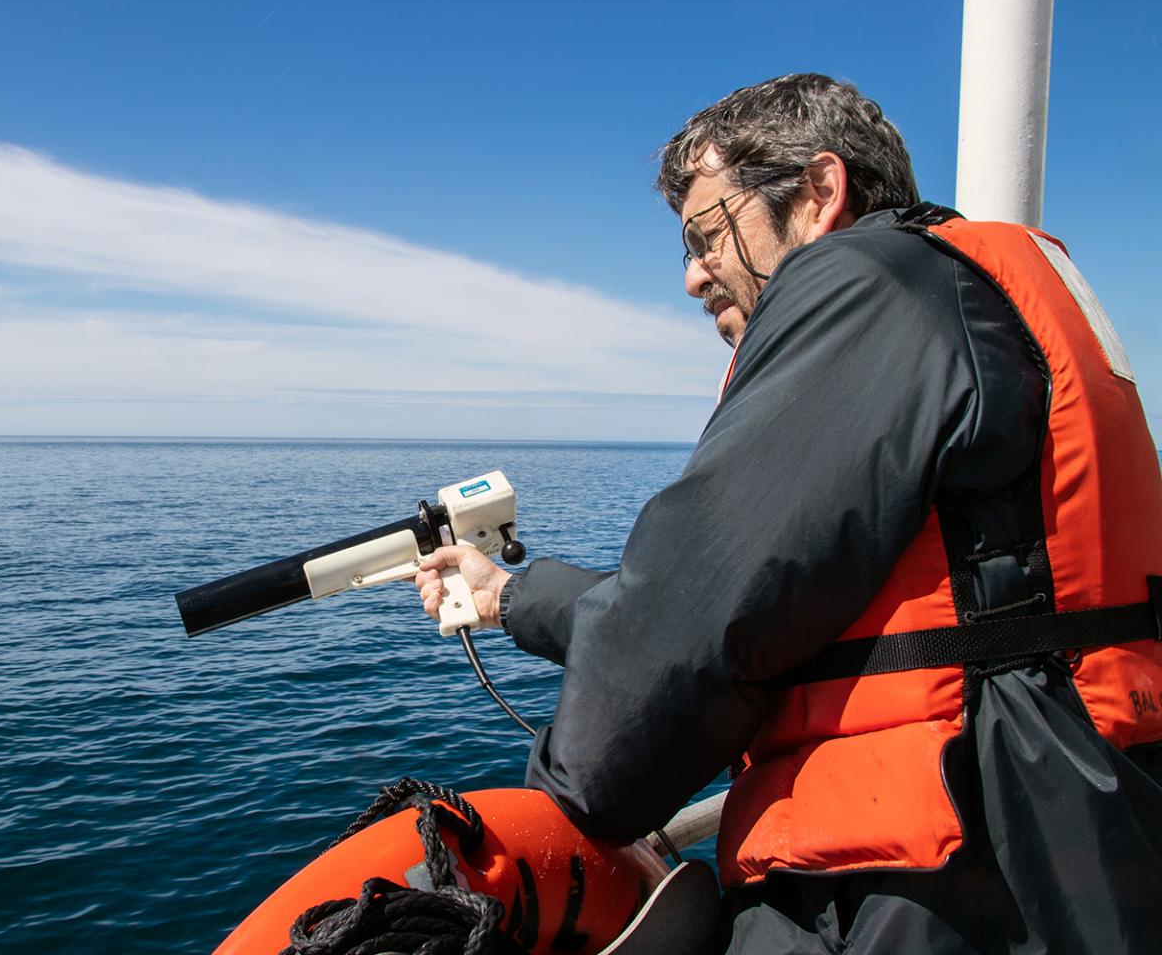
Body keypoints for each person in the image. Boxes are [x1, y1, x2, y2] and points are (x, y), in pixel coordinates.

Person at [414, 73, 1162, 953]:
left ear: (818, 192)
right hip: (1065, 843)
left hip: (922, 894)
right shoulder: (964, 293)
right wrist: (509, 595)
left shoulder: (863, 285)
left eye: (705, 234)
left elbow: (684, 631)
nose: (691, 276)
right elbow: (796, 605)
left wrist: (564, 798)